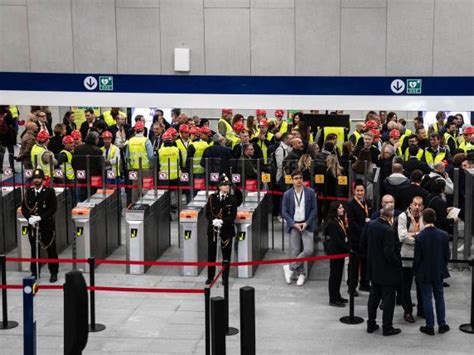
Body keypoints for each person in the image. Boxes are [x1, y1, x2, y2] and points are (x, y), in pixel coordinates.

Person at [366, 203, 402, 336]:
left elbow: (365, 243)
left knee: (373, 297)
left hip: (374, 268)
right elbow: (388, 252)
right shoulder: (388, 230)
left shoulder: (371, 225)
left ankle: (371, 324)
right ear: (390, 216)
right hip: (387, 271)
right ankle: (387, 327)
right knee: (388, 300)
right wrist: (397, 262)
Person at [414, 208, 450, 335]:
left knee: (427, 298)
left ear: (423, 219)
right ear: (435, 219)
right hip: (438, 270)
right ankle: (442, 323)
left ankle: (430, 325)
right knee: (440, 297)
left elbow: (417, 258)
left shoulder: (420, 237)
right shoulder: (443, 235)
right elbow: (447, 255)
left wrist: (415, 271)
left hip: (424, 272)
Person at [21, 169, 58, 282]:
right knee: (34, 250)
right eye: (34, 178)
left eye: (38, 178)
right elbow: (24, 208)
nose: (36, 180)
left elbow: (53, 209)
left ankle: (53, 273)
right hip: (33, 227)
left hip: (46, 226)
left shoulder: (49, 192)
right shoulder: (29, 192)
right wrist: (29, 218)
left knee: (51, 250)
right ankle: (35, 272)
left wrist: (40, 217)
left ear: (43, 179)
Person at [281, 170, 318, 286]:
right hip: (294, 224)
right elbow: (284, 212)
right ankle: (301, 273)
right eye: (296, 178)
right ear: (292, 180)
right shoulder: (287, 194)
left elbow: (314, 210)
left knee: (309, 250)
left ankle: (290, 268)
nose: (298, 180)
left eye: (300, 178)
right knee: (295, 251)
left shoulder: (310, 192)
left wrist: (307, 223)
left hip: (306, 224)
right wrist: (293, 223)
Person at [204, 174, 242, 284]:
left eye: (228, 185)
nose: (227, 187)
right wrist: (213, 221)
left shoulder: (232, 198)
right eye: (225, 185)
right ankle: (210, 277)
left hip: (226, 229)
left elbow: (233, 215)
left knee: (226, 255)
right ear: (219, 186)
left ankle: (225, 278)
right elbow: (207, 213)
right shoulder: (212, 198)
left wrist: (222, 221)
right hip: (213, 229)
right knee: (211, 254)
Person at [398, 196, 425, 322]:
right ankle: (407, 311)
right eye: (415, 204)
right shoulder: (403, 217)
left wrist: (412, 235)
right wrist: (419, 237)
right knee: (406, 286)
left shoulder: (424, 217)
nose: (417, 207)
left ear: (422, 207)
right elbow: (402, 237)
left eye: (419, 205)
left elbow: (426, 235)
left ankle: (421, 309)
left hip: (420, 258)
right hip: (406, 257)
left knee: (421, 285)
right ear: (411, 205)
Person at [346, 180, 372, 294]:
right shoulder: (351, 205)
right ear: (354, 191)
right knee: (354, 265)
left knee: (366, 262)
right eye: (358, 191)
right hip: (356, 238)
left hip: (366, 239)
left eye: (362, 191)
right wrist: (363, 232)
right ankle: (351, 287)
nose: (360, 193)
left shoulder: (367, 203)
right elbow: (352, 222)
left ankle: (364, 284)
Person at [325, 201, 349, 307]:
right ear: (335, 210)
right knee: (334, 275)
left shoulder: (339, 220)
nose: (342, 210)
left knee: (339, 275)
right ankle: (333, 299)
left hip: (340, 251)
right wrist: (347, 249)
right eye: (340, 208)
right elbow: (337, 240)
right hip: (336, 252)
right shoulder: (332, 223)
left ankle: (337, 295)